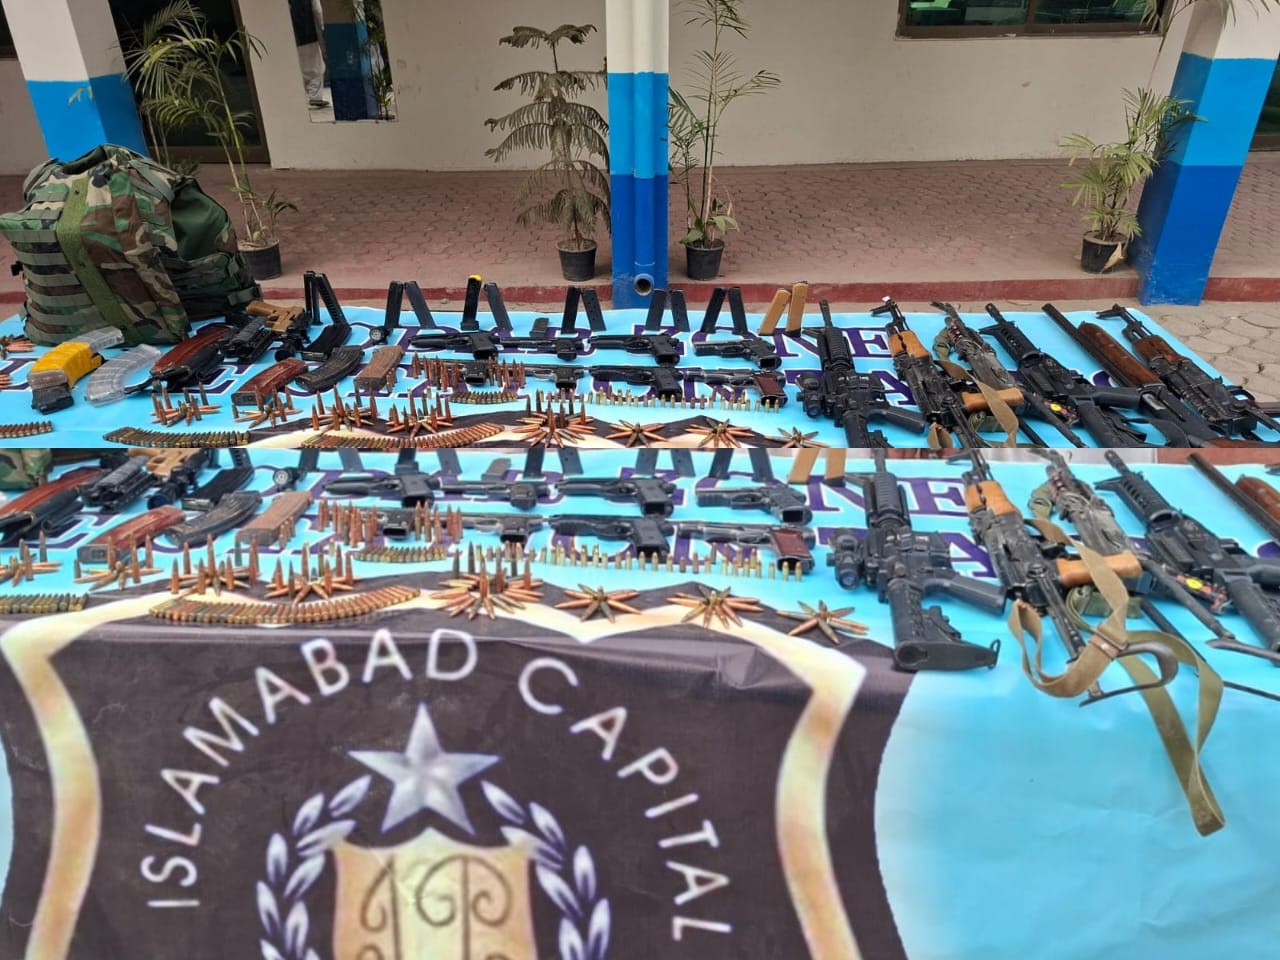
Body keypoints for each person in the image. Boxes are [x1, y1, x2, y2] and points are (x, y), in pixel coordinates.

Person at [289, 0, 328, 109]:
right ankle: (314, 96)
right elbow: (318, 12)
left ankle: (302, 97)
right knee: (317, 69)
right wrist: (322, 30)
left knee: (299, 68)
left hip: (292, 38)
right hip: (309, 35)